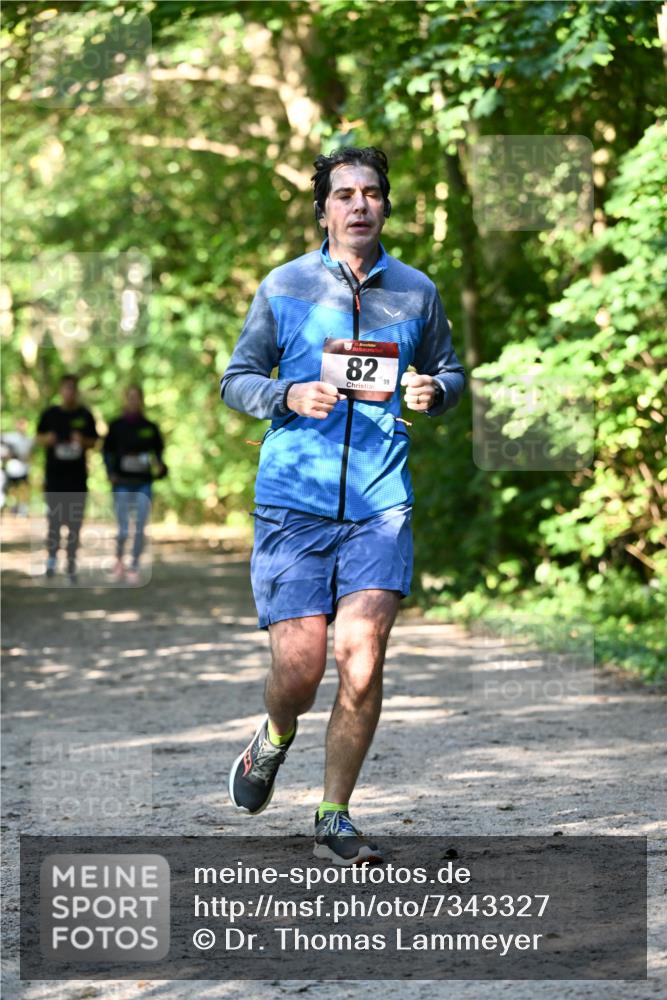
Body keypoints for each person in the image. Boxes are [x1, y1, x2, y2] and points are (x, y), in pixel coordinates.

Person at [220, 146, 465, 865]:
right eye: (343, 194)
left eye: (370, 194)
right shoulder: (285, 285)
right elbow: (237, 377)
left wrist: (435, 391)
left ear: (385, 206)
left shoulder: (415, 291)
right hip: (292, 503)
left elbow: (448, 369)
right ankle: (273, 735)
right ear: (323, 209)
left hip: (379, 503)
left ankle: (333, 814)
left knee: (361, 657)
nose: (358, 204)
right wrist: (285, 394)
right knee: (299, 669)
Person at [35, 374, 99, 583]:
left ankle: (71, 562)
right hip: (54, 478)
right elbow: (37, 438)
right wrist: (49, 439)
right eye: (66, 388)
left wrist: (83, 441)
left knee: (74, 522)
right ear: (61, 391)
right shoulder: (50, 414)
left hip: (77, 479)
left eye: (73, 388)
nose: (70, 392)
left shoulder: (84, 415)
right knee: (54, 521)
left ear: (77, 391)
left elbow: (94, 442)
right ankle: (52, 560)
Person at [103, 384, 166, 584]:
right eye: (130, 397)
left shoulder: (150, 428)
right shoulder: (116, 426)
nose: (133, 401)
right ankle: (119, 559)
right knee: (123, 527)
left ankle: (135, 564)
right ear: (125, 399)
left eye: (136, 397)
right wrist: (110, 472)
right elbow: (106, 452)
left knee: (139, 526)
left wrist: (161, 467)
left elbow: (158, 455)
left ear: (141, 400)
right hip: (121, 482)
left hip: (143, 484)